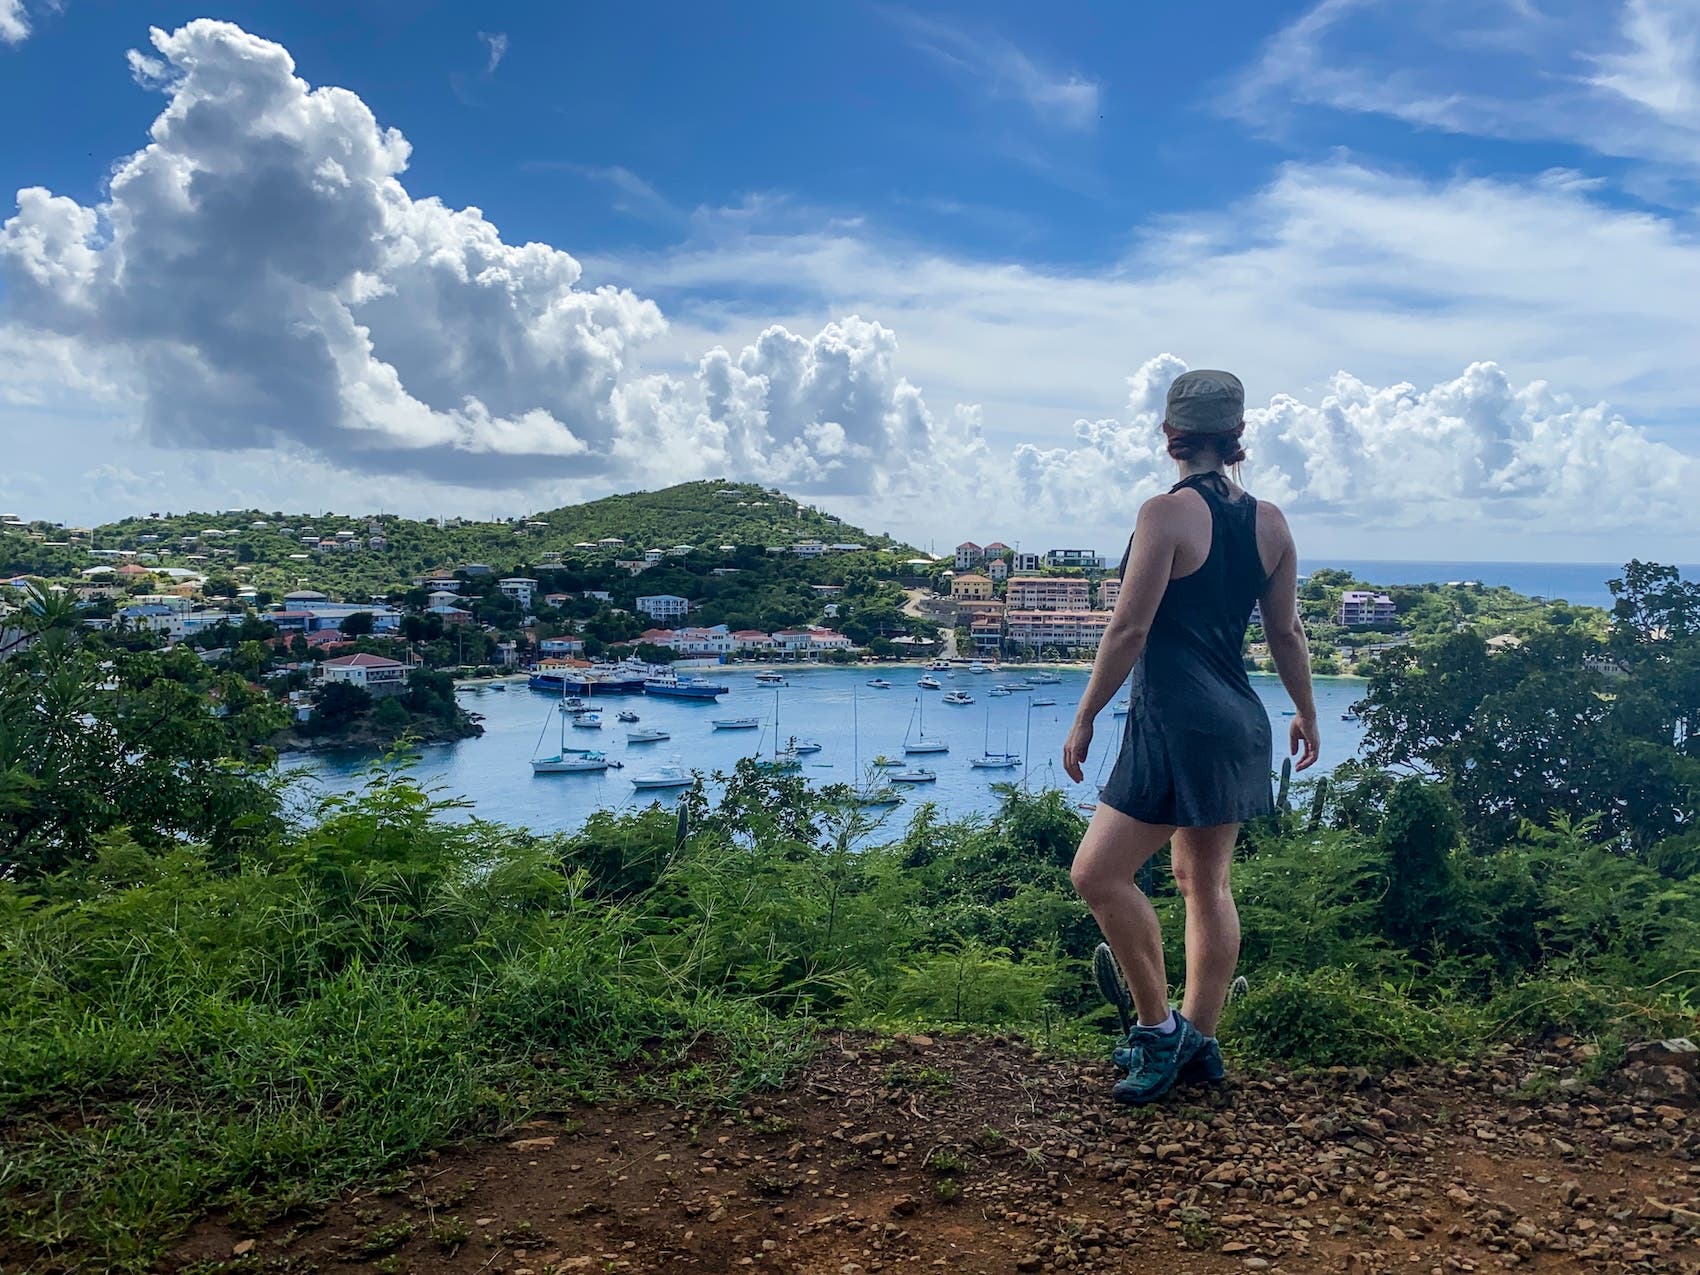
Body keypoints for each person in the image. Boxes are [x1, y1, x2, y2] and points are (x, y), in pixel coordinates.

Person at [1062, 368, 1318, 1105]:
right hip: (1242, 720)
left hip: (1178, 722)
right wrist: (1306, 710)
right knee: (1204, 882)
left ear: (1170, 435)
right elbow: (1288, 632)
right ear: (1236, 439)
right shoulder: (1271, 522)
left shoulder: (1164, 515)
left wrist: (1083, 714)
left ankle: (1160, 1029)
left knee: (1097, 874)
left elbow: (1130, 628)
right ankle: (1200, 1042)